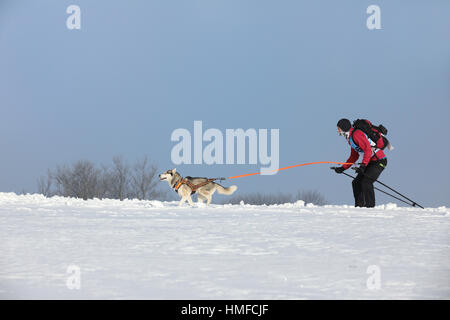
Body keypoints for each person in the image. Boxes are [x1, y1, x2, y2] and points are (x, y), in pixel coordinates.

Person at [334, 118, 387, 208]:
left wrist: (363, 165)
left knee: (366, 182)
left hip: (379, 161)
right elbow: (354, 156)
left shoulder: (356, 134)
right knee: (356, 183)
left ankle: (370, 207)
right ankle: (359, 206)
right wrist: (343, 168)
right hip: (369, 162)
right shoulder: (350, 139)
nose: (337, 130)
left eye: (338, 128)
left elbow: (368, 150)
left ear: (343, 128)